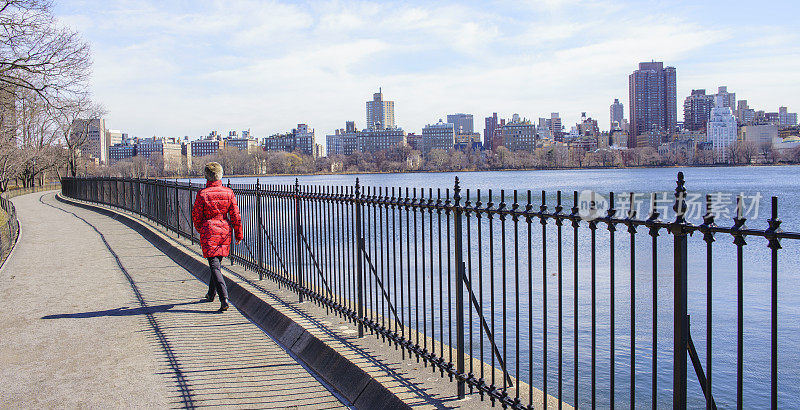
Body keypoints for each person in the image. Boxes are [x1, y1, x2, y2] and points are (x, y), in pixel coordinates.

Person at [191, 162, 243, 312]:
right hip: (224, 231)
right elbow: (235, 216)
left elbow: (196, 216)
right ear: (221, 175)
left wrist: (201, 229)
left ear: (206, 176)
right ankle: (210, 294)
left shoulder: (202, 194)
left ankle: (224, 297)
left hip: (209, 230)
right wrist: (238, 234)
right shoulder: (228, 192)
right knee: (216, 264)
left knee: (214, 265)